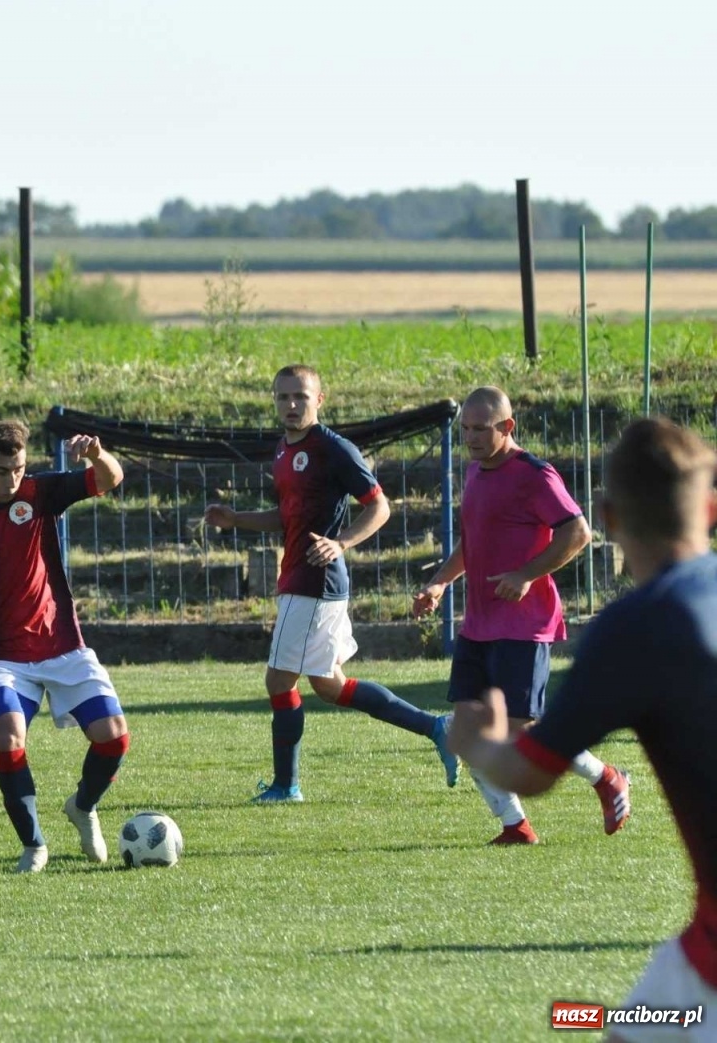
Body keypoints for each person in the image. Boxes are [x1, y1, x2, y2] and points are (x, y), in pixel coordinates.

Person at [450, 417, 717, 1036]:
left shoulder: (638, 627)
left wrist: (476, 744)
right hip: (697, 950)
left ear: (610, 517)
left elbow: (529, 770)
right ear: (708, 507)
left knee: (580, 1019)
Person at [204, 364, 456, 803]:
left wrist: (340, 543)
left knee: (279, 682)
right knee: (330, 685)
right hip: (303, 581)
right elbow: (288, 518)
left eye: (300, 396)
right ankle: (436, 727)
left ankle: (286, 787)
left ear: (320, 399)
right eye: (282, 397)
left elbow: (379, 508)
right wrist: (236, 519)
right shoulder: (283, 451)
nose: (291, 405)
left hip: (314, 584)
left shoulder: (335, 449)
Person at [413, 386, 631, 844]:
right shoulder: (476, 470)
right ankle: (515, 826)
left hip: (523, 624)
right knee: (468, 731)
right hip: (479, 624)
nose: (470, 437)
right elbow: (472, 543)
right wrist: (440, 582)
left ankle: (607, 777)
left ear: (507, 427)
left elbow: (578, 531)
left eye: (480, 429)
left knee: (519, 728)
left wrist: (528, 574)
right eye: (465, 429)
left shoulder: (534, 474)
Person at [0, 420, 129, 873]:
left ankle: (82, 806)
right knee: (8, 736)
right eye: (1, 471)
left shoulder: (39, 493)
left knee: (114, 739)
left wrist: (96, 453)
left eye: (18, 469)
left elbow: (111, 478)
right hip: (4, 657)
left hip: (63, 645)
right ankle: (34, 844)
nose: (11, 480)